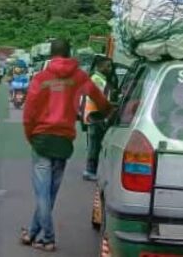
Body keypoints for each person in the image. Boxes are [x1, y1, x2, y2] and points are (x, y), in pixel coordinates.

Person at [21, 39, 110, 251]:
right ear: (69, 54)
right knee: (49, 194)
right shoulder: (79, 76)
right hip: (63, 142)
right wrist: (108, 112)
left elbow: (29, 112)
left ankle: (48, 238)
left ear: (51, 55)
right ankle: (32, 233)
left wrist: (30, 136)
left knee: (42, 193)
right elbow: (98, 98)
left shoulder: (41, 78)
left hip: (42, 139)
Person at [82, 55, 114, 181]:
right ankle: (90, 170)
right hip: (95, 115)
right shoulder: (97, 80)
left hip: (95, 115)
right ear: (100, 66)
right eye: (108, 66)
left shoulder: (99, 79)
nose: (110, 69)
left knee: (95, 144)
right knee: (94, 145)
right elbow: (99, 99)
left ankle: (92, 169)